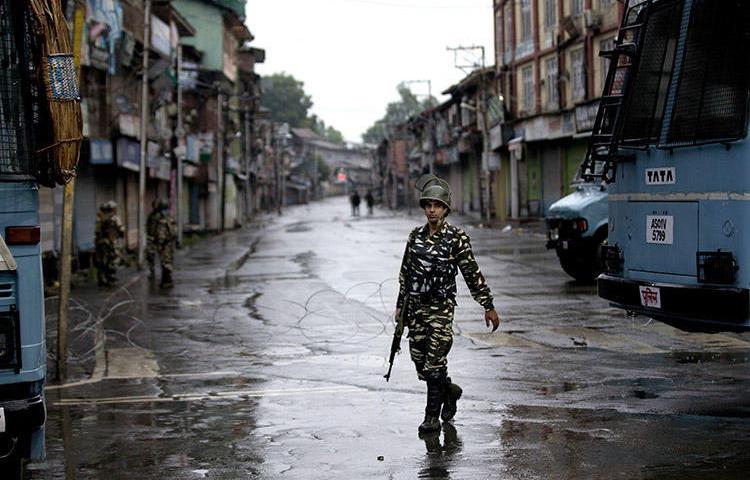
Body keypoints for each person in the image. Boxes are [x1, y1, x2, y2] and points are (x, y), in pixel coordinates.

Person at [395, 174, 500, 434]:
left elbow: (471, 272)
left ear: (445, 208)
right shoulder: (415, 236)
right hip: (416, 309)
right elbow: (405, 273)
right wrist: (401, 307)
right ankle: (449, 391)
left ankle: (431, 418)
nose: (432, 210)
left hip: (441, 309)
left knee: (434, 363)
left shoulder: (456, 238)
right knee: (420, 362)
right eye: (428, 205)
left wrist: (487, 305)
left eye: (437, 205)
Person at [146, 198, 177, 288]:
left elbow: (167, 231)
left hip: (165, 243)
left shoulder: (166, 219)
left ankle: (167, 280)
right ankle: (164, 279)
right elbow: (153, 230)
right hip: (162, 242)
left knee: (166, 261)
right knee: (164, 260)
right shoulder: (156, 217)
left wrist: (162, 242)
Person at [94, 201, 125, 287]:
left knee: (102, 261)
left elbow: (96, 231)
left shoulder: (100, 218)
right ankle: (109, 277)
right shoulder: (114, 218)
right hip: (110, 242)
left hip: (101, 242)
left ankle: (103, 278)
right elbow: (121, 230)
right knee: (111, 260)